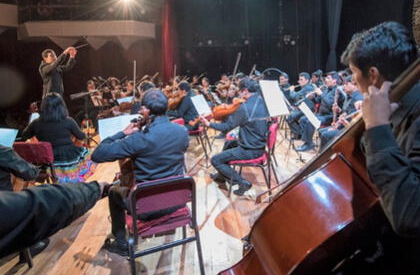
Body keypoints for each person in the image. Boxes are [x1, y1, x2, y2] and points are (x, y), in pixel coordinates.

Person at [301, 22, 420, 275]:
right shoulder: (393, 114)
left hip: (412, 274)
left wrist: (377, 130)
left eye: (354, 75)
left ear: (372, 75)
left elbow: (411, 216)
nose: (355, 85)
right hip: (377, 248)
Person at [91, 89, 189, 255]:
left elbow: (98, 154)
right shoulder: (182, 132)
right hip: (176, 200)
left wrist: (123, 133)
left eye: (142, 108)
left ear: (146, 111)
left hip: (146, 208)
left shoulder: (139, 139)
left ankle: (121, 242)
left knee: (114, 191)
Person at [200, 78, 269, 195]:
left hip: (250, 149)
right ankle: (221, 176)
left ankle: (242, 182)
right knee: (228, 143)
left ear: (245, 91)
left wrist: (208, 124)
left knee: (215, 160)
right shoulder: (263, 101)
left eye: (240, 91)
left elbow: (227, 127)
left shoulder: (245, 108)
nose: (239, 94)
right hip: (259, 144)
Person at [22, 93, 94, 183]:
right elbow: (81, 136)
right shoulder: (68, 121)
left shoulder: (36, 123)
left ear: (44, 106)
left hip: (48, 161)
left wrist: (34, 116)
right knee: (92, 153)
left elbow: (24, 136)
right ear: (61, 106)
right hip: (69, 158)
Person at [298, 72, 346, 152]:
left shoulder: (338, 91)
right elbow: (319, 100)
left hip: (329, 116)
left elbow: (330, 104)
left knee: (311, 121)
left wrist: (321, 94)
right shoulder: (326, 89)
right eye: (326, 78)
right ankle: (308, 142)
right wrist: (312, 97)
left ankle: (309, 144)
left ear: (334, 80)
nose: (325, 80)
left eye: (328, 78)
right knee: (303, 119)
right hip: (321, 114)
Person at [286, 72, 315, 140]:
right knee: (290, 116)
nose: (299, 82)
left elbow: (294, 96)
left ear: (307, 80)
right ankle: (299, 133)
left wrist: (291, 90)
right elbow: (298, 97)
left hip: (308, 109)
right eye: (299, 80)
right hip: (303, 108)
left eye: (301, 79)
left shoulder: (308, 88)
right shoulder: (305, 88)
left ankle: (298, 134)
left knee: (289, 117)